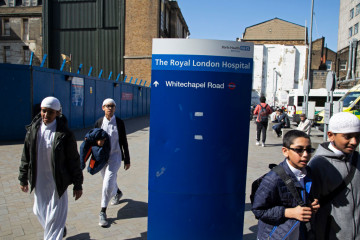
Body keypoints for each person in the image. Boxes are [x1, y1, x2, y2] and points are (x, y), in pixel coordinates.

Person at [18, 96, 83, 239]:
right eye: (43, 111)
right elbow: (26, 157)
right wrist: (23, 178)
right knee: (38, 211)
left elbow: (74, 160)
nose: (46, 115)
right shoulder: (33, 130)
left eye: (50, 112)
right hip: (39, 180)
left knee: (54, 218)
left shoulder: (65, 134)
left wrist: (78, 184)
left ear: (58, 113)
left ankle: (56, 232)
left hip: (57, 182)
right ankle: (59, 228)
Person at [252, 130, 319, 240]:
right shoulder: (273, 178)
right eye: (299, 150)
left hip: (299, 233)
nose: (305, 155)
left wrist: (310, 205)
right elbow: (258, 210)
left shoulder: (308, 172)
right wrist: (288, 212)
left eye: (309, 150)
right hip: (275, 235)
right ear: (285, 151)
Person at [309, 112, 360, 240]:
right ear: (331, 135)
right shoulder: (317, 165)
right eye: (347, 137)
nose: (354, 142)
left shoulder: (357, 159)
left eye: (357, 136)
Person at [94, 98, 131, 227]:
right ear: (102, 107)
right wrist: (97, 143)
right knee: (107, 179)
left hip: (115, 157)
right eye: (107, 106)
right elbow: (92, 140)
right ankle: (118, 192)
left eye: (112, 106)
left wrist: (127, 159)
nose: (110, 108)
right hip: (102, 158)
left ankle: (102, 211)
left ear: (115, 108)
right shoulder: (99, 122)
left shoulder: (119, 123)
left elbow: (124, 141)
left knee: (107, 181)